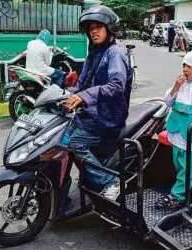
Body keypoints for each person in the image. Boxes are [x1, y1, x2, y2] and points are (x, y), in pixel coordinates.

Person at [62, 5, 132, 200]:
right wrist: (61, 95)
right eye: (90, 28)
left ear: (109, 29)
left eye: (98, 27)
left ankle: (110, 181)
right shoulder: (94, 54)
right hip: (92, 114)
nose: (93, 31)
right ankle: (60, 188)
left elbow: (116, 86)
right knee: (60, 137)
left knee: (74, 142)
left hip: (108, 118)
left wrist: (85, 97)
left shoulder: (115, 53)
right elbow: (81, 85)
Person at [156, 50, 192, 209]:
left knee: (188, 167)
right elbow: (168, 102)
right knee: (178, 162)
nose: (184, 69)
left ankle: (178, 196)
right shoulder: (181, 85)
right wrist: (176, 87)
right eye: (184, 65)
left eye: (188, 66)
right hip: (176, 131)